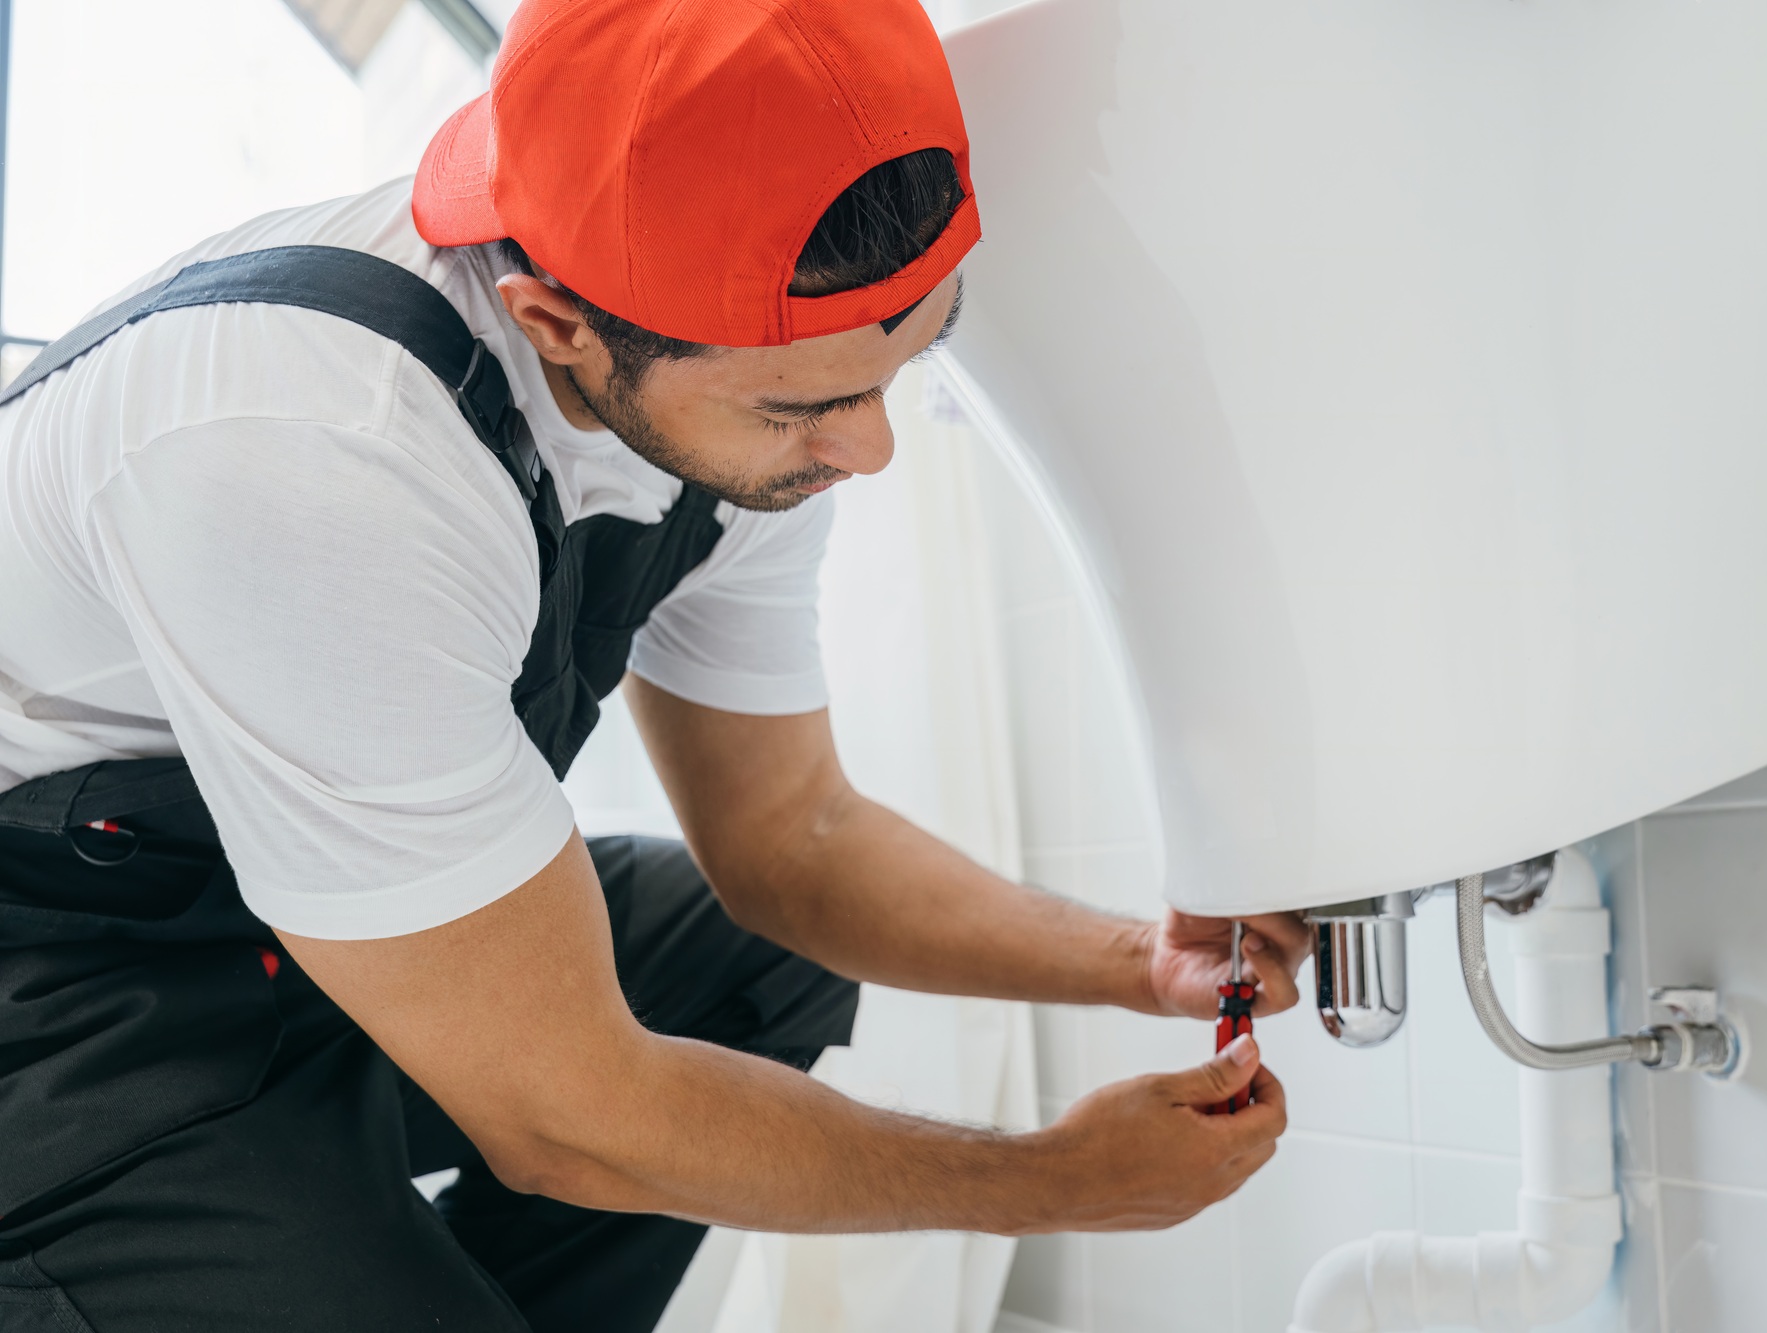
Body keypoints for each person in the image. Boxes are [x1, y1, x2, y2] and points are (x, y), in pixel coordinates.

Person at [0, 1, 1309, 1328]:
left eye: (902, 362)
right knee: (573, 1113)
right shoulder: (324, 456)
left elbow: (791, 835)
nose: (870, 450)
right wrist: (1047, 1182)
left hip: (318, 935)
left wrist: (1141, 959)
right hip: (56, 1007)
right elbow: (563, 1118)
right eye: (804, 407)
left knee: (748, 963)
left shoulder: (723, 384)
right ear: (557, 323)